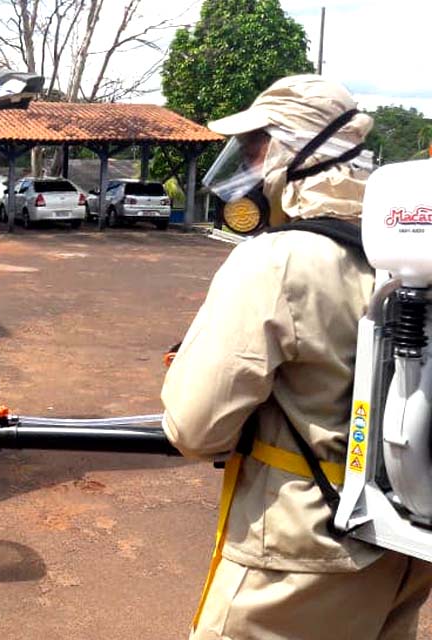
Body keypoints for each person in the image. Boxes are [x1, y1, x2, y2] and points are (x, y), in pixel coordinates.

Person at [161, 74, 432, 639]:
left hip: (299, 553)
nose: (251, 167)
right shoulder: (407, 253)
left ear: (294, 154)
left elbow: (195, 427)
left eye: (258, 148)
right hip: (403, 543)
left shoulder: (278, 259)